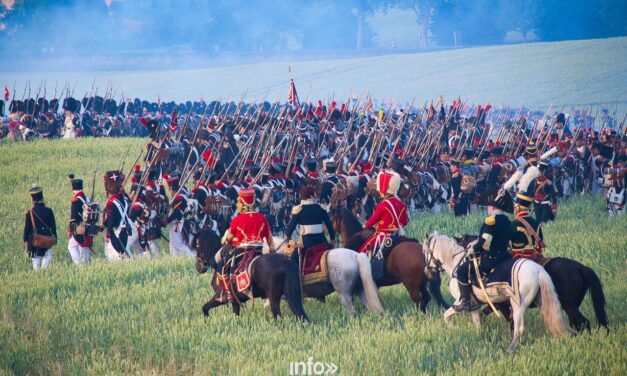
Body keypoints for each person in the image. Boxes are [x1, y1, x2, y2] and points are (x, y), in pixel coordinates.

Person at [453, 186, 514, 312]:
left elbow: (486, 241)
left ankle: (465, 301)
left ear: (492, 207)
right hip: (505, 256)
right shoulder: (507, 221)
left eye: (488, 206)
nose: (487, 208)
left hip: (491, 258)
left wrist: (474, 248)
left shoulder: (490, 220)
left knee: (461, 271)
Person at [217, 188, 274, 300]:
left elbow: (228, 238)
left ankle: (228, 294)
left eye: (239, 201)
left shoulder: (238, 219)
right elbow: (269, 238)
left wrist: (225, 240)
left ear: (242, 202)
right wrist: (272, 251)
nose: (238, 204)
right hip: (258, 251)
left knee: (222, 266)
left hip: (241, 251)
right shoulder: (261, 217)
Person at [359, 170, 409, 257]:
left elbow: (372, 221)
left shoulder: (383, 204)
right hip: (397, 235)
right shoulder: (401, 204)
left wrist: (364, 225)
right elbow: (404, 222)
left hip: (382, 237)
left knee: (362, 253)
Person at [284, 184, 335, 265]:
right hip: (321, 240)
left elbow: (291, 225)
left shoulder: (298, 209)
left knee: (292, 261)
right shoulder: (321, 208)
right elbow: (329, 225)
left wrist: (287, 235)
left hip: (306, 242)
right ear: (312, 195)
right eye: (315, 194)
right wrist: (332, 239)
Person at [511, 166, 545, 261]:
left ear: (517, 208)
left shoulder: (514, 224)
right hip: (536, 257)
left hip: (519, 258)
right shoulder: (536, 222)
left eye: (514, 207)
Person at [23, 185, 57, 270]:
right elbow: (53, 226)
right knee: (47, 255)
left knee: (35, 258)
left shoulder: (29, 212)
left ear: (33, 200)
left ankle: (37, 274)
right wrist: (55, 237)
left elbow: (27, 229)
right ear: (42, 197)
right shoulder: (48, 210)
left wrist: (25, 240)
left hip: (34, 239)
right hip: (47, 238)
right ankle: (43, 271)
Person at [162, 172, 196, 257]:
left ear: (172, 189)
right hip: (180, 223)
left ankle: (193, 257)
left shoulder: (178, 198)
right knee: (173, 244)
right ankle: (175, 260)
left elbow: (176, 213)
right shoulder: (181, 196)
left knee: (179, 245)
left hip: (180, 224)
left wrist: (167, 220)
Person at [103, 170, 132, 261]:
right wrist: (103, 225)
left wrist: (108, 234)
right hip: (124, 233)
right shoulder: (122, 200)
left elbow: (111, 220)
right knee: (123, 256)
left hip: (115, 234)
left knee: (114, 258)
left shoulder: (111, 203)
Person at [67, 174, 93, 265]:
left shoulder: (76, 200)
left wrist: (70, 229)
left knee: (72, 247)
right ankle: (86, 265)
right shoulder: (88, 199)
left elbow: (73, 217)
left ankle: (79, 265)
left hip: (79, 228)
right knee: (84, 247)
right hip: (88, 226)